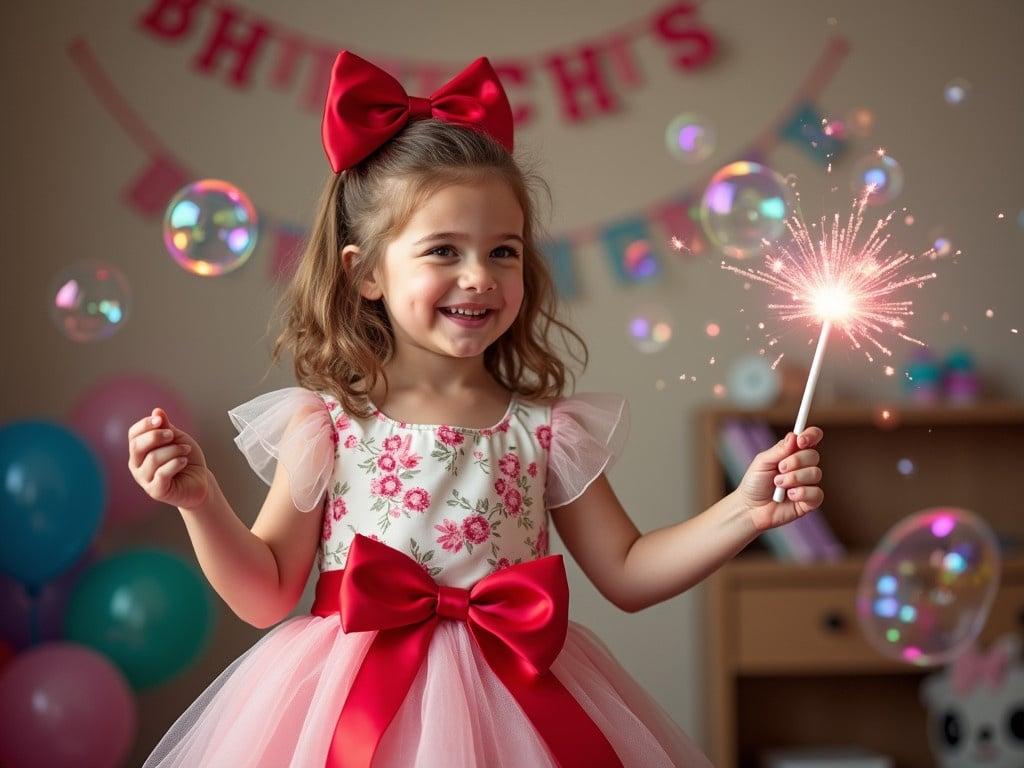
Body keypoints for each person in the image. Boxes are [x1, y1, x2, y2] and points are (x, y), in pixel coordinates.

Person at [128, 50, 825, 768]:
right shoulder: (326, 423)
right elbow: (267, 592)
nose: (478, 276)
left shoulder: (547, 429)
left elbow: (627, 570)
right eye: (442, 250)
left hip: (514, 706)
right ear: (364, 271)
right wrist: (201, 501)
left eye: (503, 251)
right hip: (348, 708)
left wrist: (744, 510)